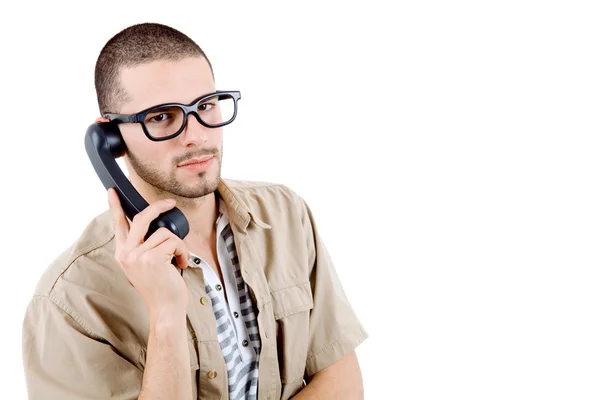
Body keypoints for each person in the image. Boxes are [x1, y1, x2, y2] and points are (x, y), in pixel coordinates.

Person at [22, 22, 368, 400]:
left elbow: (341, 379)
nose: (196, 135)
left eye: (205, 106)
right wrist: (166, 316)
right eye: (161, 117)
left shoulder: (285, 213)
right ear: (110, 139)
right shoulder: (69, 300)